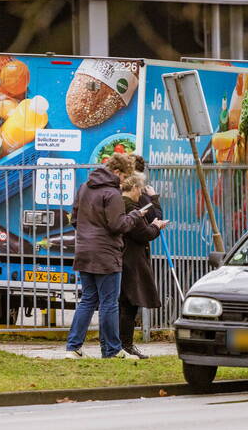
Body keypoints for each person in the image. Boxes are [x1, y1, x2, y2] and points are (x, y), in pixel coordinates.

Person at [64, 153, 148, 360]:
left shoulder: (84, 187)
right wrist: (136, 215)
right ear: (117, 172)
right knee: (109, 303)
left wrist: (88, 232)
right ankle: (112, 350)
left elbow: (75, 219)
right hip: (106, 253)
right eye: (123, 176)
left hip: (83, 250)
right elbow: (118, 225)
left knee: (87, 301)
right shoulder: (112, 193)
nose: (123, 181)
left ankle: (73, 347)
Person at [119, 172, 169, 358]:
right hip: (131, 259)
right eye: (139, 189)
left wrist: (153, 219)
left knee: (124, 303)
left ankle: (121, 345)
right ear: (133, 188)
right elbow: (144, 232)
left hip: (125, 258)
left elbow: (150, 218)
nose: (140, 193)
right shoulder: (130, 206)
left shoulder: (121, 203)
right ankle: (125, 345)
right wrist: (156, 226)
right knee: (129, 304)